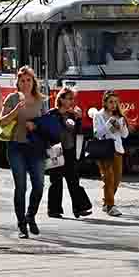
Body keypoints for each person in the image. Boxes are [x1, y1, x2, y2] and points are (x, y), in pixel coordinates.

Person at [0, 66, 48, 236]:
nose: (26, 83)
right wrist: (15, 111)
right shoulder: (12, 98)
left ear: (34, 82)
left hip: (36, 147)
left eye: (29, 80)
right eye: (22, 80)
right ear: (17, 82)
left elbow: (46, 124)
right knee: (21, 187)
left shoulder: (40, 100)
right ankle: (21, 225)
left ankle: (30, 216)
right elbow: (1, 122)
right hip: (16, 147)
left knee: (39, 186)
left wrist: (36, 125)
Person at [45, 88, 91, 219]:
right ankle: (54, 210)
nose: (72, 101)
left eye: (72, 99)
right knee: (56, 180)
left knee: (74, 179)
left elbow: (79, 132)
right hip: (56, 150)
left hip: (70, 149)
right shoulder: (52, 114)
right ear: (61, 99)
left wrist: (79, 119)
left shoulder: (73, 115)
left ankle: (80, 208)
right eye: (69, 98)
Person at [89, 90, 129, 217]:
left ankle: (106, 203)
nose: (114, 105)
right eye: (111, 102)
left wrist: (120, 127)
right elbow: (97, 134)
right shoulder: (99, 115)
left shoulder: (119, 117)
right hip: (105, 150)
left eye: (116, 102)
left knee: (116, 180)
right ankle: (111, 206)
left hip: (117, 150)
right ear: (105, 102)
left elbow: (125, 135)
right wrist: (110, 124)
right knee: (108, 178)